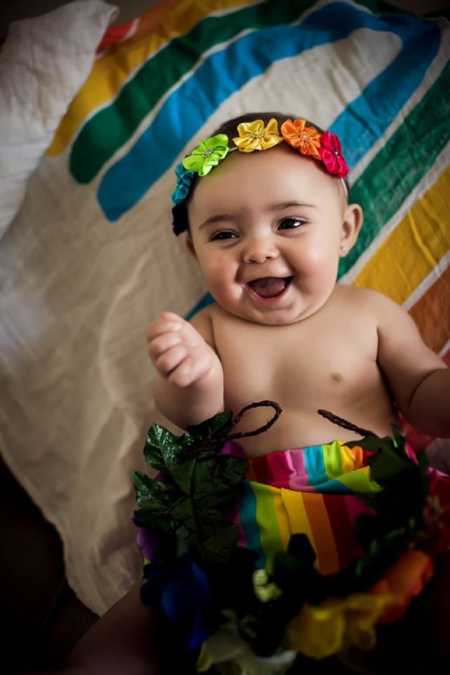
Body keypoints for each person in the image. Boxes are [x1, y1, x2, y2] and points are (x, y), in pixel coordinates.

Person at [30, 113, 449, 675]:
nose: (257, 250)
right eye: (225, 234)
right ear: (193, 252)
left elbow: (422, 389)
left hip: (374, 508)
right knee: (129, 630)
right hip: (243, 533)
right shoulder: (210, 332)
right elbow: (192, 422)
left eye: (290, 223)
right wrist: (193, 378)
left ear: (346, 229)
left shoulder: (369, 313)